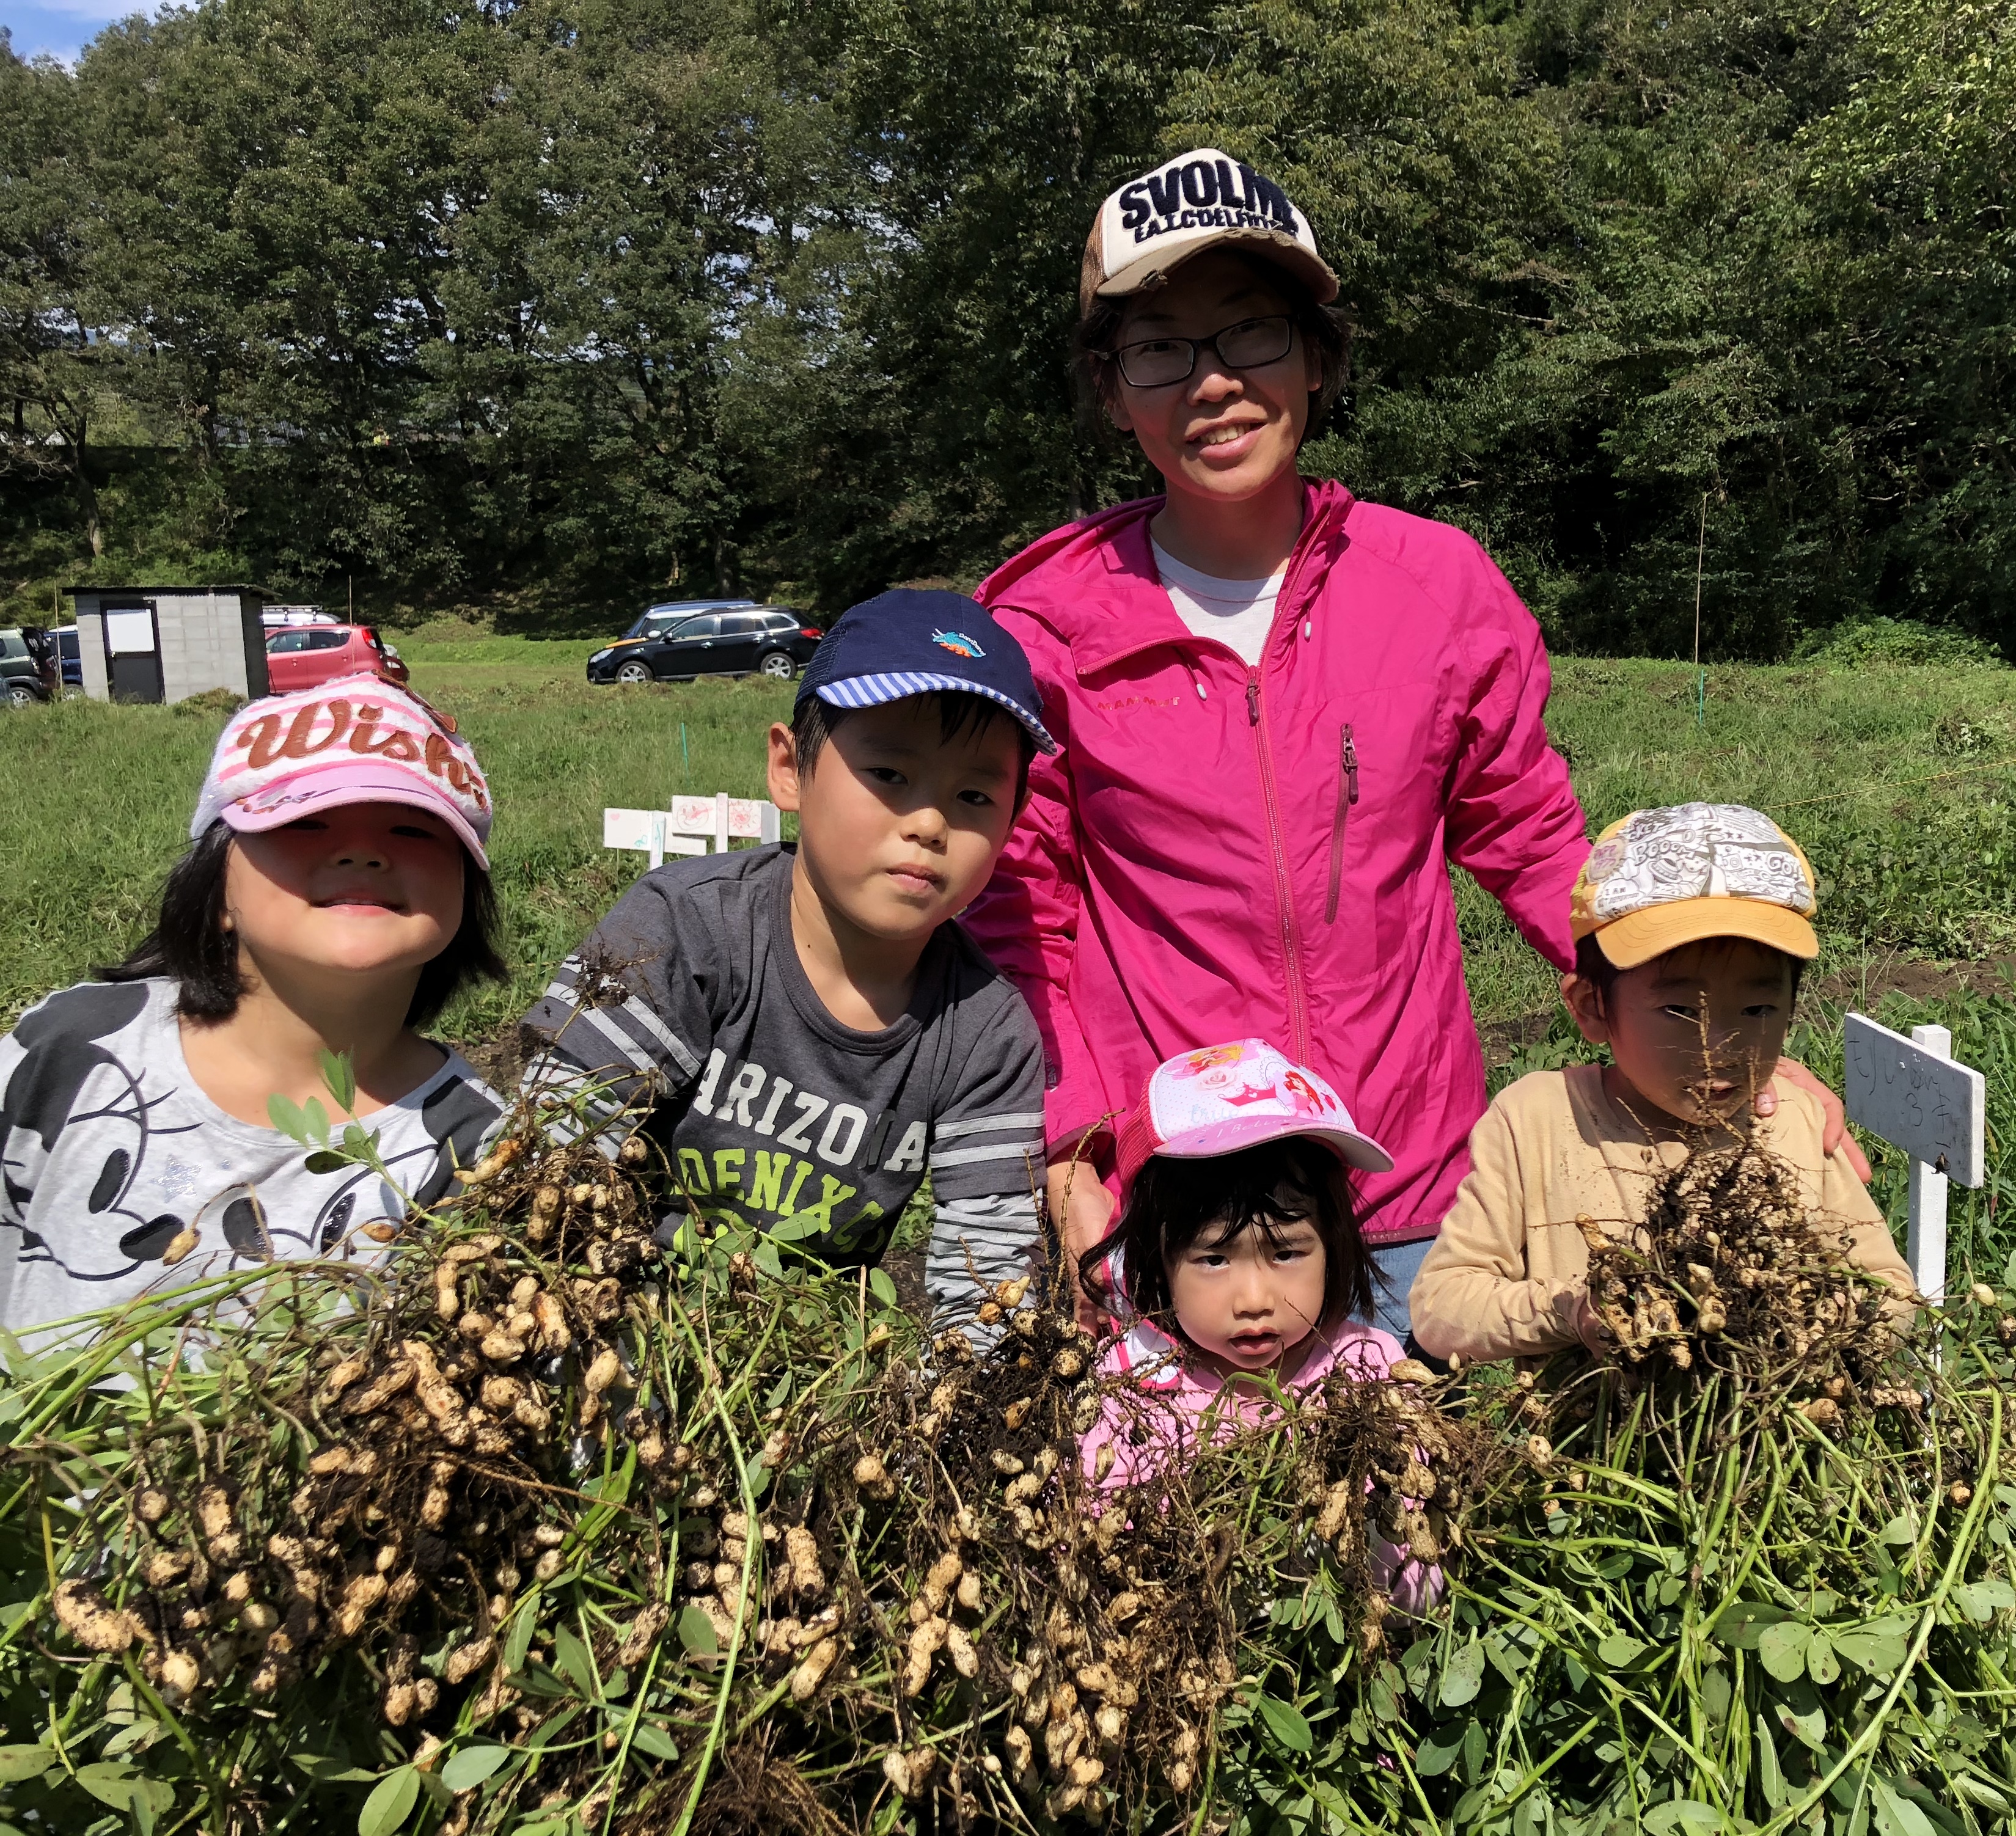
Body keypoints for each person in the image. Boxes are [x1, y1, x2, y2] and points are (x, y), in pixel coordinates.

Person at [964, 146, 1860, 1339]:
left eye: (1250, 332)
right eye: (1159, 348)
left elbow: (1535, 846)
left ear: (1315, 356)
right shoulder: (1041, 625)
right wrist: (1071, 1144)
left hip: (1406, 1201)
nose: (1212, 382)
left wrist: (1708, 1027)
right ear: (1110, 386)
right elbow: (1017, 914)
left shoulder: (1434, 587)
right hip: (1180, 1207)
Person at [519, 590, 1050, 1326]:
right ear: (789, 768)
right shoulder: (686, 927)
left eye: (972, 795)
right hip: (611, 1311)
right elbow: (545, 1162)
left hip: (804, 1357)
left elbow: (986, 1280)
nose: (929, 823)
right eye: (889, 776)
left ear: (1011, 823)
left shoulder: (987, 1033)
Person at [0, 676, 508, 1336]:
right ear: (215, 888)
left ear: (466, 896)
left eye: (413, 828)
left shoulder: (476, 1150)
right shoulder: (73, 1046)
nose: (362, 851)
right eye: (303, 821)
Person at [1408, 804, 1915, 1364]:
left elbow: (1892, 1292)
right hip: (1596, 1422)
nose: (1719, 1045)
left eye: (1757, 1009)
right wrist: (1573, 1309)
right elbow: (1440, 1309)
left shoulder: (1792, 1120)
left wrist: (1796, 1312)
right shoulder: (1537, 1120)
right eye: (1679, 1010)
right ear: (1591, 1006)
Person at [1073, 1039, 1437, 1613]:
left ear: (1333, 1246)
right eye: (1214, 1259)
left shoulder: (1367, 1368)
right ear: (1157, 1262)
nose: (1254, 1300)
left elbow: (1421, 1569)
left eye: (1287, 1253)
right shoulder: (1126, 1390)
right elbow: (1090, 1564)